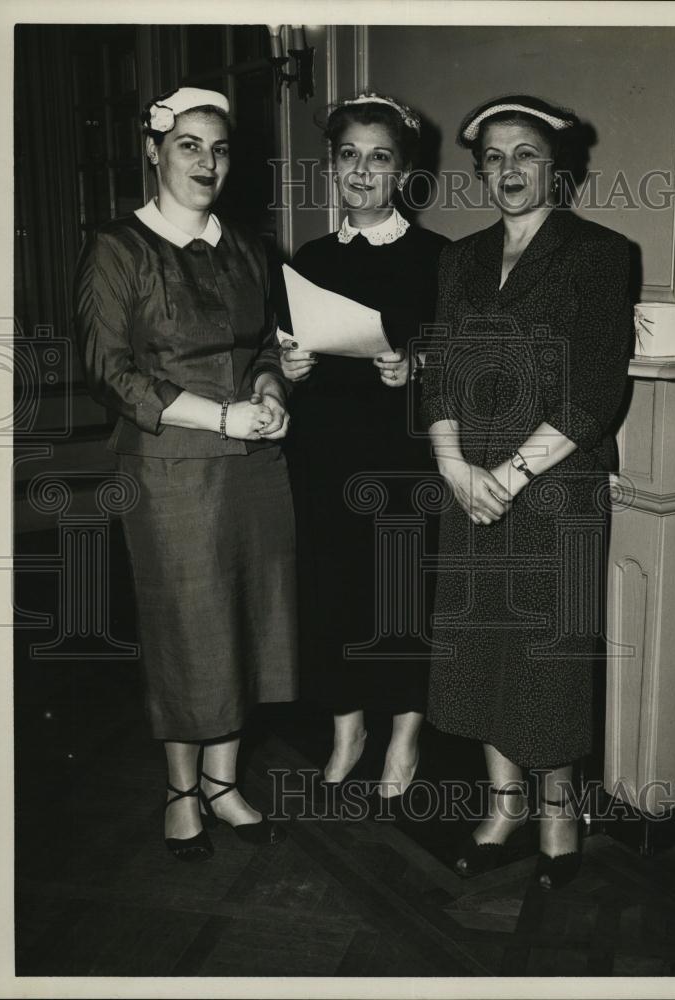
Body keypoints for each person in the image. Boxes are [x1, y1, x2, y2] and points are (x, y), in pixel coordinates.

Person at [74, 87, 297, 862]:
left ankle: (224, 782)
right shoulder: (118, 247)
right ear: (154, 150)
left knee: (247, 619)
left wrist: (269, 391)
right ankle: (180, 789)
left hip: (253, 468)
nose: (207, 162)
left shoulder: (248, 248)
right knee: (185, 627)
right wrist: (219, 416)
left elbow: (266, 342)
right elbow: (109, 371)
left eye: (220, 148)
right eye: (189, 145)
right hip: (170, 468)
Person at [421, 94, 632, 887]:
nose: (509, 171)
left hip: (553, 492)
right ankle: (503, 804)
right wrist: (452, 466)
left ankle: (558, 812)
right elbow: (437, 367)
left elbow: (594, 389)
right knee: (479, 649)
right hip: (467, 485)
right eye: (495, 159)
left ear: (559, 169)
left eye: (526, 156)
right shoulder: (459, 258)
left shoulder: (601, 253)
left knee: (549, 654)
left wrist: (506, 477)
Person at [279, 93, 448, 805]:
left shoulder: (440, 259)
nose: (361, 170)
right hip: (323, 452)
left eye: (379, 158)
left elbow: (464, 359)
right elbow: (288, 354)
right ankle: (347, 728)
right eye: (348, 155)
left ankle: (406, 734)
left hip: (400, 455)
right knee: (330, 590)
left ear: (404, 172)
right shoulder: (310, 258)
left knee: (400, 591)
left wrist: (418, 366)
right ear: (331, 167)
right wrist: (287, 371)